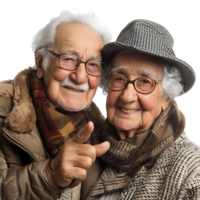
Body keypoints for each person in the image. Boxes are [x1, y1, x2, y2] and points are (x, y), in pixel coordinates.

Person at [0, 7, 112, 200]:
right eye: (68, 59)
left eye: (93, 65)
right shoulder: (3, 109)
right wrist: (49, 176)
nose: (80, 77)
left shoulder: (100, 131)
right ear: (40, 63)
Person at [82, 18, 200, 200]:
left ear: (166, 98)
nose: (127, 96)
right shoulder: (84, 146)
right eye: (119, 78)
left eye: (145, 82)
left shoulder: (190, 169)